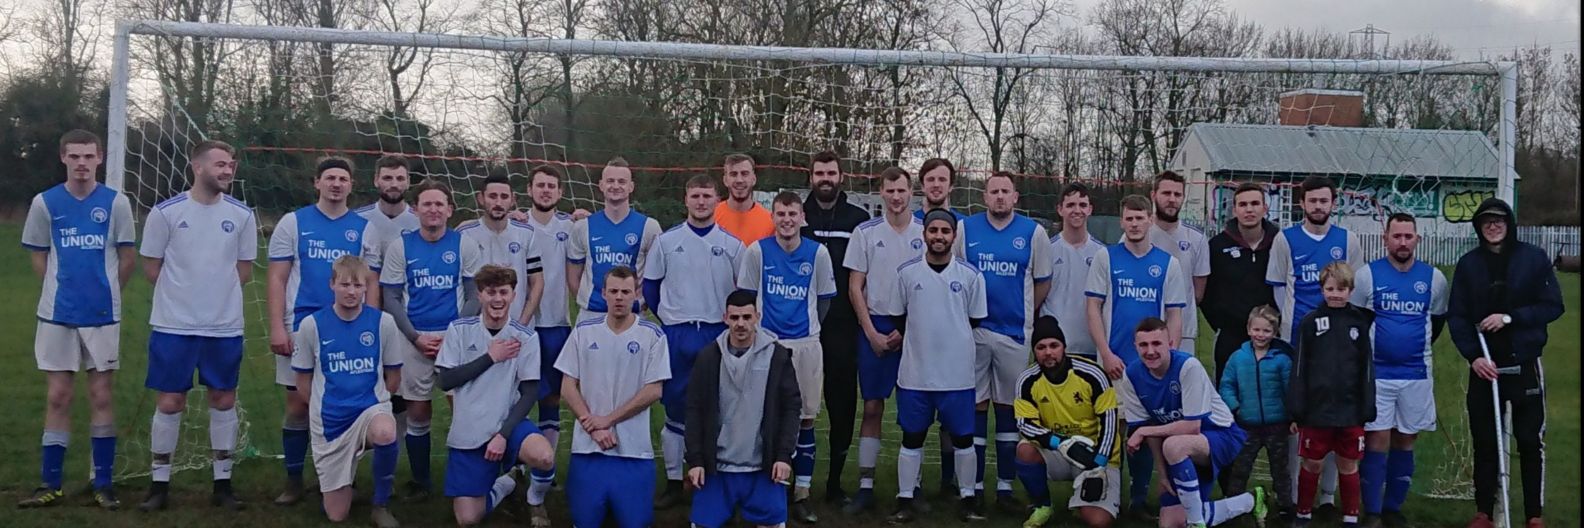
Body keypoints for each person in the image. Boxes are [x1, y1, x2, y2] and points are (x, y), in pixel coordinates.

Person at [18, 129, 136, 510]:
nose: (82, 163)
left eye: (88, 156)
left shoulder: (117, 203)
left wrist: (105, 292)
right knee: (58, 396)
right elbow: (39, 254)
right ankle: (49, 484)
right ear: (63, 159)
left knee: (101, 395)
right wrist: (59, 288)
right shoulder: (45, 203)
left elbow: (127, 258)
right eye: (75, 157)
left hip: (102, 315)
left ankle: (103, 483)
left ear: (100, 158)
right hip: (57, 315)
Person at [136, 140, 255, 512]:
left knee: (223, 399)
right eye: (220, 164)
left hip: (223, 327)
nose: (227, 171)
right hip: (174, 326)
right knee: (171, 402)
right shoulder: (166, 213)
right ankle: (159, 486)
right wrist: (185, 299)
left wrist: (213, 300)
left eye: (231, 165)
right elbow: (151, 268)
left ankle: (223, 483)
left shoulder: (242, 215)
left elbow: (245, 271)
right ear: (198, 167)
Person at [266, 156, 383, 505]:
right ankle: (293, 479)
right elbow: (277, 276)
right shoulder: (293, 223)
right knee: (299, 405)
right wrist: (277, 326)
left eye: (343, 178)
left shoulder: (364, 228)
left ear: (351, 185)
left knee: (347, 404)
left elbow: (371, 282)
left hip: (349, 330)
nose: (336, 183)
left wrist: (371, 327)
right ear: (316, 183)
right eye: (329, 177)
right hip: (301, 327)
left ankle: (339, 477)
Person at [1448, 198, 1564, 528]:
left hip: (1524, 363)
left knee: (1529, 441)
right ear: (1478, 227)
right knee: (1485, 441)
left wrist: (1510, 318)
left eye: (1499, 220)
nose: (1493, 226)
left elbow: (1553, 306)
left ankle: (1533, 515)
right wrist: (1474, 357)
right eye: (1486, 222)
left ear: (1509, 223)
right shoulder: (1469, 265)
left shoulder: (1533, 258)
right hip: (1485, 366)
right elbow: (1457, 316)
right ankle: (1484, 511)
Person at [379, 180, 484, 501]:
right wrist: (414, 337)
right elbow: (391, 296)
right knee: (419, 413)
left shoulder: (464, 244)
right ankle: (422, 481)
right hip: (414, 339)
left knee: (464, 410)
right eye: (427, 204)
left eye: (440, 204)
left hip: (455, 337)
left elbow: (473, 293)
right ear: (415, 209)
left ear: (450, 210)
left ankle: (469, 477)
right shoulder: (401, 246)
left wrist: (454, 335)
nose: (434, 209)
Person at [643, 174, 744, 507]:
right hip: (677, 332)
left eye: (707, 196)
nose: (701, 202)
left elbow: (742, 295)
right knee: (675, 410)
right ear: (685, 199)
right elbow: (651, 289)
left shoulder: (733, 245)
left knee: (719, 409)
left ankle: (713, 479)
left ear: (717, 200)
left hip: (716, 332)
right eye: (695, 196)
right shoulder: (667, 242)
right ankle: (674, 481)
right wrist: (671, 321)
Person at [737, 191, 838, 523]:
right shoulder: (757, 252)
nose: (787, 220)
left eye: (793, 214)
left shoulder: (818, 254)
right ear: (774, 217)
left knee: (806, 419)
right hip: (767, 344)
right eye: (780, 214)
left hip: (806, 344)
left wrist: (805, 332)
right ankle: (770, 486)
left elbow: (824, 302)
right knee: (765, 416)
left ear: (802, 217)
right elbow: (747, 300)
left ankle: (802, 492)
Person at [1085, 194, 1188, 517]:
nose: (1134, 224)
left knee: (1145, 432)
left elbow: (1174, 313)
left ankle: (1139, 499)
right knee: (1112, 433)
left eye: (1140, 218)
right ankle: (1110, 495)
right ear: (1122, 222)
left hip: (1150, 367)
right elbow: (1093, 307)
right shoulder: (1106, 257)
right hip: (1115, 364)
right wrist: (1105, 352)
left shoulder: (1167, 263)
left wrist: (1167, 354)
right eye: (1128, 219)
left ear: (1150, 220)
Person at [956, 171, 1053, 511]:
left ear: (1015, 198)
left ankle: (1006, 489)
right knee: (977, 405)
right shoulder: (966, 229)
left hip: (1014, 333)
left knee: (1009, 409)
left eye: (1005, 191)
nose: (999, 196)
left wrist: (1024, 316)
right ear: (984, 196)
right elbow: (958, 278)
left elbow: (1042, 282)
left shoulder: (1033, 232)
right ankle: (977, 486)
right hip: (976, 332)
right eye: (993, 191)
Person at [1265, 175, 1363, 510]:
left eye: (1324, 200)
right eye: (1312, 201)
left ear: (1333, 203)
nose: (1318, 206)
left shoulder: (1347, 239)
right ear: (1302, 203)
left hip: (1339, 347)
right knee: (1301, 422)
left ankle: (1327, 497)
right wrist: (1296, 321)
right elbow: (1278, 288)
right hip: (1299, 343)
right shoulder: (1285, 239)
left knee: (1340, 422)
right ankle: (1295, 496)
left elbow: (1355, 285)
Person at [886, 208, 988, 523]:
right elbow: (897, 317)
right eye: (934, 231)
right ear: (925, 234)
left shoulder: (971, 276)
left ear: (953, 236)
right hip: (916, 374)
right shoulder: (906, 273)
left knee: (963, 439)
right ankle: (905, 498)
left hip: (957, 375)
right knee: (912, 437)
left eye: (945, 231)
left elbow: (974, 319)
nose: (939, 236)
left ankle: (968, 498)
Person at [436, 265, 555, 527]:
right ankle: (507, 483)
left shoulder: (525, 337)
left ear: (514, 295)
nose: (497, 299)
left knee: (544, 456)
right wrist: (491, 357)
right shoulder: (459, 329)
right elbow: (444, 380)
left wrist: (503, 435)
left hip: (508, 425)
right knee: (468, 518)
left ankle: (535, 500)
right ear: (479, 295)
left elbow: (530, 391)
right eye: (491, 292)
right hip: (469, 430)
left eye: (503, 292)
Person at [290, 256, 404, 528]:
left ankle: (381, 503)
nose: (351, 291)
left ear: (366, 288)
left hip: (369, 410)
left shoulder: (383, 323)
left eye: (358, 285)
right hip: (331, 421)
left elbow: (394, 377)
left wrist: (374, 404)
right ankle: (342, 480)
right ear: (332, 285)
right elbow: (302, 381)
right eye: (344, 284)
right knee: (337, 514)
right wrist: (324, 406)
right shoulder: (311, 325)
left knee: (386, 432)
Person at [1350, 214, 1448, 528]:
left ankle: (1393, 508)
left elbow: (1437, 323)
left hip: (1417, 373)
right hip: (1378, 373)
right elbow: (1358, 322)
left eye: (1408, 236)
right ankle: (1373, 511)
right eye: (1397, 236)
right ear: (1385, 239)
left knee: (1406, 439)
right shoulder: (1367, 276)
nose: (1402, 242)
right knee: (1377, 438)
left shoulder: (1434, 279)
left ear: (1417, 239)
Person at [1117, 318, 1263, 528]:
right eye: (1143, 345)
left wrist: (1146, 430)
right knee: (1171, 523)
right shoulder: (1131, 375)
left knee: (1173, 445)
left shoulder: (1188, 366)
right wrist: (1163, 473)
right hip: (1179, 448)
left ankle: (1196, 523)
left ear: (1170, 343)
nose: (1150, 351)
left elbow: (1192, 427)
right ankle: (1250, 500)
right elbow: (1149, 431)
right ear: (1135, 347)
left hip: (1221, 435)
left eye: (1157, 343)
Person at [556, 266, 670, 528]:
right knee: (584, 522)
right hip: (588, 450)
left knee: (636, 523)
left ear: (636, 294)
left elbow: (654, 390)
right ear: (603, 294)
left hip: (634, 452)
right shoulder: (584, 331)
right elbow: (567, 386)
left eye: (626, 292)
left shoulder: (652, 335)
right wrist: (592, 426)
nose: (620, 297)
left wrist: (607, 420)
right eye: (614, 291)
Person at [684, 290, 803, 528]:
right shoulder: (708, 357)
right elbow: (694, 410)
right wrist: (696, 460)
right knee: (702, 524)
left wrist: (783, 456)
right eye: (735, 317)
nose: (741, 324)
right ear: (725, 318)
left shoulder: (777, 356)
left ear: (757, 317)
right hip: (717, 467)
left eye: (747, 317)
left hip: (763, 466)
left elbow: (791, 407)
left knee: (773, 523)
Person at [841, 167, 922, 514]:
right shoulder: (865, 232)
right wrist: (870, 331)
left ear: (911, 193)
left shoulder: (926, 230)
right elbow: (854, 286)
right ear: (881, 193)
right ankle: (866, 485)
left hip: (915, 329)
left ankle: (910, 490)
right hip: (875, 325)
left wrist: (910, 329)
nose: (896, 196)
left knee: (913, 413)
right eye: (889, 190)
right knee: (872, 406)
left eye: (901, 190)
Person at [800, 150, 871, 504]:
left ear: (841, 176)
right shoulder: (797, 216)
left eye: (831, 172)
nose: (825, 178)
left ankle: (834, 483)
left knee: (842, 407)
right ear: (810, 177)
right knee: (796, 406)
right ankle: (794, 480)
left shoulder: (857, 219)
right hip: (801, 327)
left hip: (843, 327)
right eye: (819, 173)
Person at [1013, 316, 1124, 528]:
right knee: (1025, 450)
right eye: (1041, 347)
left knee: (1098, 521)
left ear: (1064, 346)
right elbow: (1025, 424)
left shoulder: (1092, 374)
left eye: (1054, 345)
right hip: (1060, 451)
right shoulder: (1027, 380)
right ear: (1034, 351)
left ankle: (1083, 502)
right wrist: (1061, 443)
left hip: (1097, 454)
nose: (1048, 352)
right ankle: (1042, 506)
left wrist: (1098, 463)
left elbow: (1110, 422)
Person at [1288, 261, 1374, 527]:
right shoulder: (1311, 322)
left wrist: (1367, 406)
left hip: (1350, 411)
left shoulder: (1359, 323)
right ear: (1322, 289)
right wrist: (1297, 408)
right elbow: (1300, 366)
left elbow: (1367, 369)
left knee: (1348, 466)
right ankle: (1303, 513)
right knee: (1312, 463)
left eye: (1342, 289)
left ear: (1350, 291)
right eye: (1330, 288)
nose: (1336, 294)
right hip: (1317, 411)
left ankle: (1350, 516)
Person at [519, 164, 578, 524]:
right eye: (540, 185)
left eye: (551, 186)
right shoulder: (517, 224)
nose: (545, 191)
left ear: (559, 192)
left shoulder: (571, 227)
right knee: (519, 397)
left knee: (552, 400)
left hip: (557, 325)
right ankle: (516, 465)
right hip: (522, 326)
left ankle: (548, 469)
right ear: (530, 190)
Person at [1216, 306, 1294, 520]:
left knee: (1280, 470)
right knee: (1240, 468)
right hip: (1246, 424)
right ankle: (1232, 506)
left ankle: (1286, 506)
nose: (1261, 335)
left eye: (1267, 331)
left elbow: (1290, 389)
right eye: (1257, 329)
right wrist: (1236, 407)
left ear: (1275, 333)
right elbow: (1226, 385)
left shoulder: (1282, 360)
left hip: (1276, 425)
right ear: (1249, 329)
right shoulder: (1237, 358)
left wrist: (1293, 415)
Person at [567, 157, 662, 322]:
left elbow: (658, 274)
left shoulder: (649, 226)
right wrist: (590, 301)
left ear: (631, 187)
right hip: (592, 315)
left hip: (632, 315)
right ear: (601, 185)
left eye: (622, 181)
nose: (616, 186)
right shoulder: (583, 227)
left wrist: (643, 301)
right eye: (610, 181)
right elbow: (573, 276)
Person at [1204, 182, 1277, 379]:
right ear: (1235, 209)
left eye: (1255, 203)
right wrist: (1223, 322)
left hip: (1271, 335)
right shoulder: (1217, 246)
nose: (1249, 209)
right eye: (1243, 205)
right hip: (1231, 336)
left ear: (1265, 208)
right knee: (1228, 396)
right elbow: (1207, 293)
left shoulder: (1280, 243)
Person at [458, 174, 544, 325]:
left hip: (517, 325)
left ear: (513, 200)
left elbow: (537, 283)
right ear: (481, 198)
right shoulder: (465, 233)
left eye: (504, 196)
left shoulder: (527, 234)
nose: (498, 202)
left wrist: (521, 324)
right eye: (492, 196)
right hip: (476, 328)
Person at [1147, 171, 1211, 355]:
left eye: (1178, 194)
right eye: (1166, 193)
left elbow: (1198, 293)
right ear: (1153, 195)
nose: (1172, 199)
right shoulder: (1138, 233)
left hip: (1183, 331)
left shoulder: (1197, 238)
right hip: (1144, 329)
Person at [1041, 182, 1107, 358]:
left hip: (1091, 347)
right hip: (1055, 349)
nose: (1077, 210)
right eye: (1070, 205)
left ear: (1090, 209)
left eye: (1082, 205)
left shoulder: (1102, 254)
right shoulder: (1046, 249)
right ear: (1060, 209)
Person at [715, 152, 775, 243]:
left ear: (754, 179)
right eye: (733, 174)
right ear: (725, 180)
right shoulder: (711, 218)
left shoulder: (769, 222)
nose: (739, 180)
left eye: (745, 174)